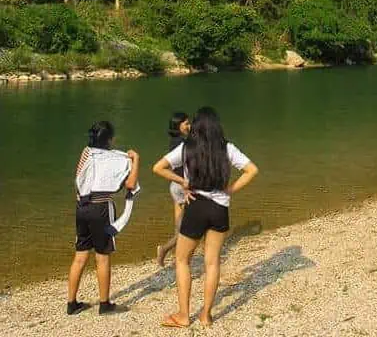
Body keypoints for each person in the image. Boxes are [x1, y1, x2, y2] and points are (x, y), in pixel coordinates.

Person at [153, 106, 259, 328]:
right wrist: (230, 190)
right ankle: (206, 316)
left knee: (182, 260)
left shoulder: (186, 148)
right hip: (220, 209)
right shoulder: (227, 148)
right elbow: (252, 170)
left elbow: (158, 168)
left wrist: (183, 182)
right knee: (212, 263)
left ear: (197, 127)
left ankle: (183, 316)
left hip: (197, 206)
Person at [67, 121, 140, 315]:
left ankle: (71, 303)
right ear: (110, 139)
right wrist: (136, 160)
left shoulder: (86, 153)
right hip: (101, 208)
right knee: (103, 257)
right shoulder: (117, 159)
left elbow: (79, 177)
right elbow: (131, 184)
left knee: (80, 256)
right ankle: (104, 304)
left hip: (81, 207)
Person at [157, 111, 191, 267]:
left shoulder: (174, 141)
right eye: (186, 124)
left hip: (175, 185)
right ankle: (164, 249)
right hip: (183, 186)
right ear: (179, 126)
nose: (189, 126)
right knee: (188, 227)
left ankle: (179, 256)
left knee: (180, 226)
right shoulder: (182, 143)